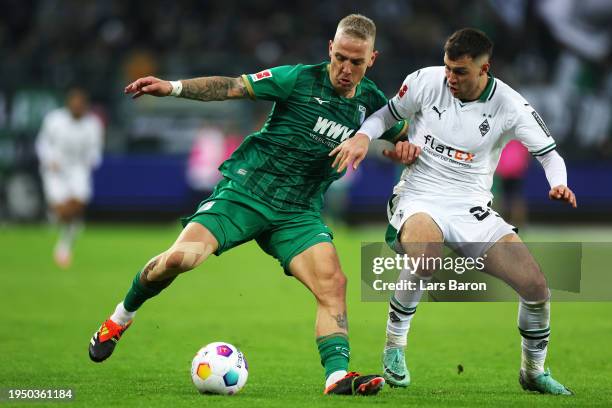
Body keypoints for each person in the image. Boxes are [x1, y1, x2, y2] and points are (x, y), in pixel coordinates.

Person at [88, 14, 408, 396]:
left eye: (356, 62)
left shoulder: (372, 102)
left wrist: (407, 148)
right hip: (246, 193)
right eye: (340, 57)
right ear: (330, 50)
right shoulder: (299, 79)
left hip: (298, 212)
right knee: (180, 260)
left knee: (333, 283)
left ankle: (337, 376)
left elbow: (405, 135)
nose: (346, 68)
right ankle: (119, 318)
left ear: (372, 59)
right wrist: (171, 87)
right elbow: (232, 87)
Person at [331, 28, 576, 395]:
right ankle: (394, 349)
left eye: (460, 71)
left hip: (471, 207)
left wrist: (558, 182)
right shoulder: (425, 82)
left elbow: (549, 154)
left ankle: (533, 371)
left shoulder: (511, 105)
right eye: (448, 68)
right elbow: (385, 115)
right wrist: (365, 136)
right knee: (426, 257)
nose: (451, 78)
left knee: (536, 285)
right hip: (419, 196)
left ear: (484, 68)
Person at [36, 87, 104, 268]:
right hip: (55, 171)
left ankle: (64, 245)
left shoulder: (93, 124)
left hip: (78, 170)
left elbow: (95, 149)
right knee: (63, 212)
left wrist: (91, 161)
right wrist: (49, 160)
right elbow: (42, 143)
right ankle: (61, 226)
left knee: (78, 206)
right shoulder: (54, 120)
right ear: (68, 104)